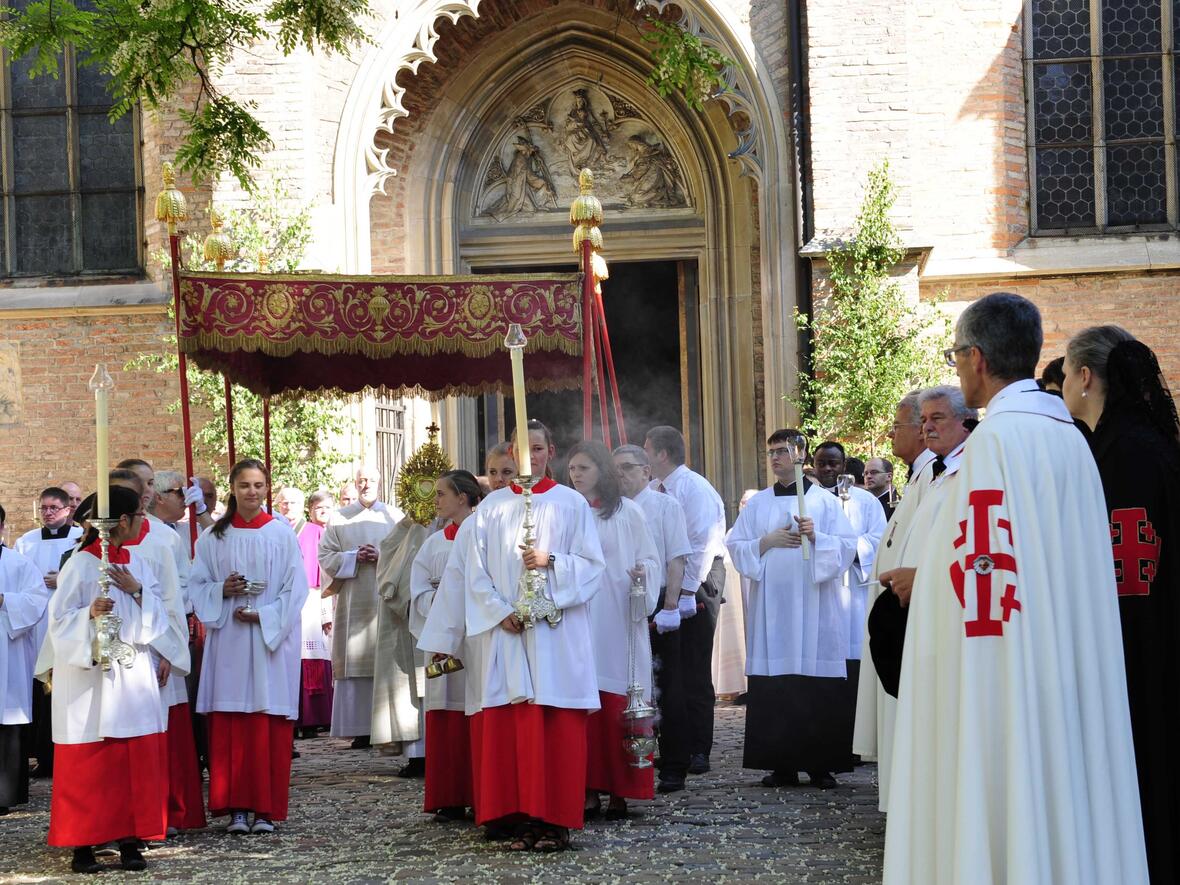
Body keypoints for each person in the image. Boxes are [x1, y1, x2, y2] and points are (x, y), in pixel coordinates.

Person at [884, 293, 1148, 883]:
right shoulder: (1069, 434)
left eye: (956, 357)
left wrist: (920, 591)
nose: (956, 368)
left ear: (976, 358)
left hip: (1005, 671)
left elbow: (978, 588)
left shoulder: (995, 444)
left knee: (1008, 789)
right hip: (1066, 658)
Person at [1062, 325, 1180, 882]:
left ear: (1086, 377)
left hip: (1139, 641)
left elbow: (1130, 566)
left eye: (1064, 372)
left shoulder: (1127, 453)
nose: (1061, 382)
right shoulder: (1118, 442)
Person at [462, 419, 605, 851]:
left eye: (538, 448)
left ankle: (556, 820)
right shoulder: (491, 508)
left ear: (550, 451)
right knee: (514, 727)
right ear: (511, 453)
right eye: (523, 450)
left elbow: (592, 565)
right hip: (509, 631)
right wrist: (498, 611)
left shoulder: (571, 503)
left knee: (555, 724)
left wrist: (551, 560)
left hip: (556, 634)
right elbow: (475, 570)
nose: (531, 457)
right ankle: (521, 817)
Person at [854, 386, 974, 810]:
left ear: (965, 422)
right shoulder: (936, 471)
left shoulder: (966, 470)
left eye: (935, 419)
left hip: (933, 608)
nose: (925, 429)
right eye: (922, 421)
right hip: (906, 605)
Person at [725, 430, 857, 789]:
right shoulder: (759, 505)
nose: (775, 458)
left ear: (800, 455)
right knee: (778, 683)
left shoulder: (825, 504)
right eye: (771, 452)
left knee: (813, 681)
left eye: (782, 451)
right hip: (774, 610)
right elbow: (736, 544)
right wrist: (765, 542)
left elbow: (847, 548)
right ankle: (781, 764)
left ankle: (820, 765)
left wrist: (817, 538)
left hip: (814, 606)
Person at [46, 486, 168, 873]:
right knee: (89, 762)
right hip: (88, 680)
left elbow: (159, 618)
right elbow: (58, 620)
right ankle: (82, 844)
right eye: (139, 516)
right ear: (124, 521)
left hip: (129, 675)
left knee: (129, 762)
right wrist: (88, 613)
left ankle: (131, 840)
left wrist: (138, 592)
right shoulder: (81, 564)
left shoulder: (138, 563)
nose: (143, 523)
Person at [191, 459, 307, 836]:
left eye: (258, 485)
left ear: (266, 488)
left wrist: (266, 616)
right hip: (229, 641)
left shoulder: (281, 534)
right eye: (244, 485)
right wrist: (221, 590)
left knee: (266, 719)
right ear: (233, 488)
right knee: (232, 721)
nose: (252, 492)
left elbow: (296, 589)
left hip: (268, 641)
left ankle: (266, 809)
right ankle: (236, 808)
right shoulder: (212, 538)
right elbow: (197, 584)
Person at [568, 441, 660, 820]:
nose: (575, 474)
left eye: (584, 468)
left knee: (619, 703)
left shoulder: (628, 512)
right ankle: (587, 788)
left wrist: (643, 574)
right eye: (572, 468)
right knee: (582, 706)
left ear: (602, 471)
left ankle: (623, 790)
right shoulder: (567, 512)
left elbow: (651, 558)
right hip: (579, 620)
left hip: (619, 617)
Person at [110, 468, 201, 835]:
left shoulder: (164, 539)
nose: (147, 493)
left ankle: (168, 810)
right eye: (142, 486)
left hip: (157, 645)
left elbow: (176, 597)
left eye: (150, 485)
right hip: (115, 652)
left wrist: (168, 651)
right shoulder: (95, 542)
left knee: (163, 735)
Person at [643, 426, 726, 778]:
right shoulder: (652, 490)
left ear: (661, 454)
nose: (644, 457)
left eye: (647, 450)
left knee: (693, 666)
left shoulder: (694, 489)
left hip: (699, 580)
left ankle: (698, 748)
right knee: (669, 669)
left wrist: (687, 594)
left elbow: (702, 542)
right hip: (668, 584)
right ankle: (675, 743)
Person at [612, 443, 694, 792]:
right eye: (614, 469)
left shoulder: (664, 505)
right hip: (620, 604)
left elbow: (677, 558)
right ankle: (631, 756)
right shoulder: (611, 509)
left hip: (658, 601)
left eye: (627, 468)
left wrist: (671, 606)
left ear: (647, 471)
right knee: (629, 683)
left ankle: (675, 763)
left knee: (668, 685)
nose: (620, 476)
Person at [409, 470, 481, 819]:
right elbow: (417, 589)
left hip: (475, 636)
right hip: (441, 636)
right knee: (444, 713)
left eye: (441, 494)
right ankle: (449, 796)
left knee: (475, 710)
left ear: (462, 498)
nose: (435, 500)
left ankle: (481, 792)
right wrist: (437, 600)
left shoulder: (483, 533)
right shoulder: (433, 543)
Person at [318, 466, 404, 748]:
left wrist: (381, 556)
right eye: (361, 480)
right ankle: (360, 729)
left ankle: (387, 726)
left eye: (371, 480)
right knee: (356, 659)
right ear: (355, 484)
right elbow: (325, 556)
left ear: (381, 482)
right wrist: (353, 557)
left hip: (385, 597)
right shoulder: (339, 518)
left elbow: (407, 554)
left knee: (385, 660)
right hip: (354, 598)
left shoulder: (395, 517)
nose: (366, 485)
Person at [811, 442, 887, 728]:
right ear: (814, 465)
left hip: (853, 591)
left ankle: (857, 735)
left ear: (844, 465)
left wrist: (843, 549)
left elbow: (879, 540)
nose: (828, 468)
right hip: (821, 589)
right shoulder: (808, 501)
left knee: (854, 661)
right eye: (822, 463)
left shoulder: (865, 501)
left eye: (834, 463)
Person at [15, 486, 82, 780]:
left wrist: (63, 578)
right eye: (44, 508)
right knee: (39, 695)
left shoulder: (79, 540)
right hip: (36, 625)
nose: (48, 513)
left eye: (54, 507)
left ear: (68, 510)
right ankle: (41, 755)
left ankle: (66, 755)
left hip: (67, 622)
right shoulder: (26, 542)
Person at [0, 503, 49, 816]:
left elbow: (36, 601)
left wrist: (5, 600)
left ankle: (5, 794)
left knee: (6, 724)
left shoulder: (18, 564)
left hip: (7, 649)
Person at [296, 491, 335, 737]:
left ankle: (322, 715)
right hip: (304, 597)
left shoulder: (324, 532)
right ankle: (306, 716)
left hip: (321, 596)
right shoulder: (303, 531)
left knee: (320, 654)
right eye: (317, 507)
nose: (322, 512)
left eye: (326, 507)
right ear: (309, 509)